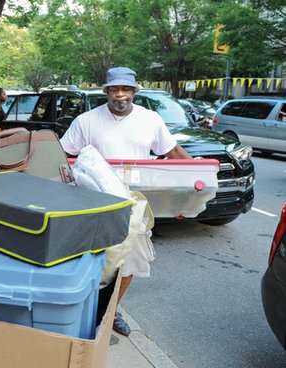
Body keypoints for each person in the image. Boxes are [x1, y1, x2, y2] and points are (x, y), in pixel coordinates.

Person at [59, 66, 191, 336]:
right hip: (94, 204)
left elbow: (172, 151)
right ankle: (82, 311)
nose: (120, 94)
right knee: (91, 260)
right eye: (115, 89)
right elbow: (62, 154)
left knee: (131, 260)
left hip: (133, 204)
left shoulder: (151, 120)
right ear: (106, 91)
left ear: (134, 91)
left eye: (126, 89)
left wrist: (200, 174)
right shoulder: (86, 121)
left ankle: (108, 313)